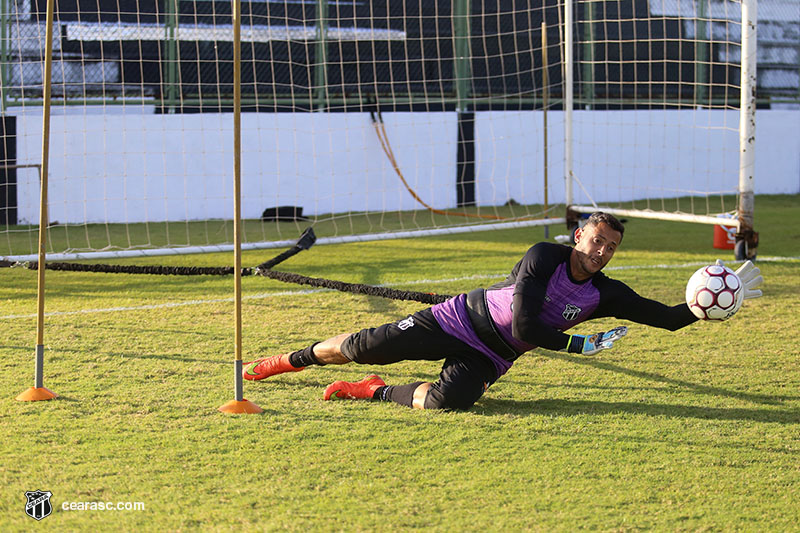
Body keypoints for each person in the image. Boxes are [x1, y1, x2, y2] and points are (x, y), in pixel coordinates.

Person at [243, 212, 763, 410]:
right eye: (596, 240)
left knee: (447, 404)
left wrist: (716, 301)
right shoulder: (543, 256)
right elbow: (526, 324)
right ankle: (284, 362)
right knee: (364, 346)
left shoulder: (606, 293)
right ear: (578, 235)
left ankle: (371, 390)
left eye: (611, 247)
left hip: (493, 356)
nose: (602, 251)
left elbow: (667, 317)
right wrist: (577, 343)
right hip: (458, 320)